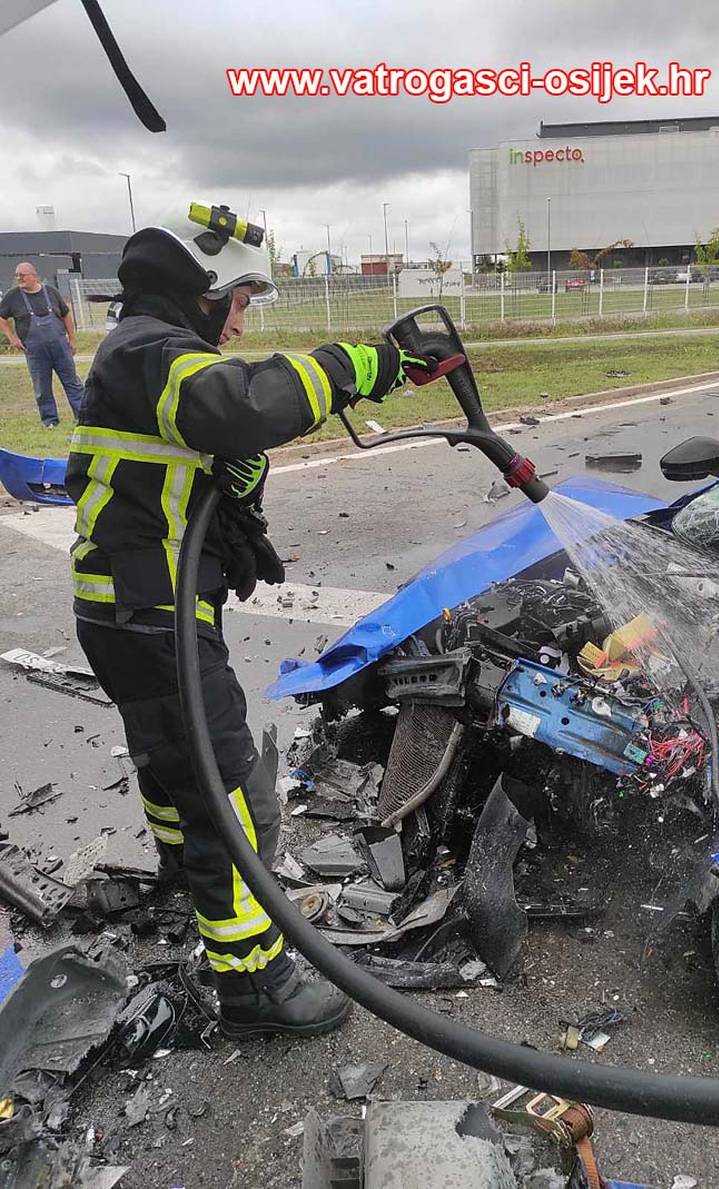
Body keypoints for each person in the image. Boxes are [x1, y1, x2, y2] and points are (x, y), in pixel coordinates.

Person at [65, 203, 435, 1037]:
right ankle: (254, 984)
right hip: (150, 616)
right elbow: (240, 405)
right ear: (197, 290)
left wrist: (231, 502)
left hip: (127, 610)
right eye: (235, 301)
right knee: (236, 801)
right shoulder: (154, 352)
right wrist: (363, 364)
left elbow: (184, 461)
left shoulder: (141, 353)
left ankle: (183, 875)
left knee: (170, 764)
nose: (239, 323)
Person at [0, 262, 85, 427]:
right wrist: (12, 338)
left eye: (22, 275)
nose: (19, 278)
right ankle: (50, 421)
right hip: (34, 350)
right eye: (17, 275)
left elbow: (66, 315)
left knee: (72, 383)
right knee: (42, 387)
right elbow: (1, 318)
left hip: (60, 347)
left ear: (34, 276)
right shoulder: (13, 296)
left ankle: (82, 417)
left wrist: (72, 339)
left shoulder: (51, 292)